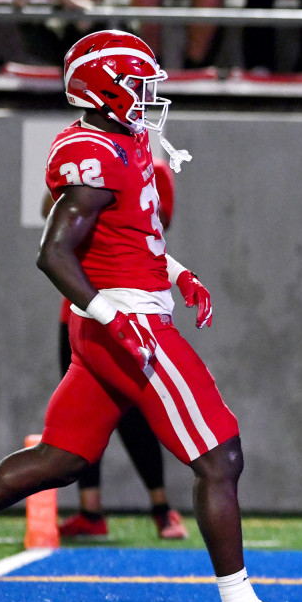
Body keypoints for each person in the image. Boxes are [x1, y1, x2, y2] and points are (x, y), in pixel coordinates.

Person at [0, 29, 302, 602]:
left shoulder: (125, 142)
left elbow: (128, 239)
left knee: (62, 457)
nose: (150, 98)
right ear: (107, 89)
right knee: (220, 457)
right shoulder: (97, 155)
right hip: (127, 322)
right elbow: (54, 251)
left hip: (117, 316)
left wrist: (176, 272)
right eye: (139, 85)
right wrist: (110, 313)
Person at [55, 156, 188, 541]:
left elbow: (153, 227)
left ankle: (162, 508)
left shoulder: (154, 168)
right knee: (80, 415)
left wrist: (113, 186)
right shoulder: (82, 158)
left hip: (129, 306)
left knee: (134, 413)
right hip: (80, 310)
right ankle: (90, 511)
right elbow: (55, 225)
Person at [13, 0, 113, 66]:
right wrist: (20, 4)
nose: (69, 1)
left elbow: (86, 12)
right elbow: (38, 43)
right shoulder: (66, 31)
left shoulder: (106, 17)